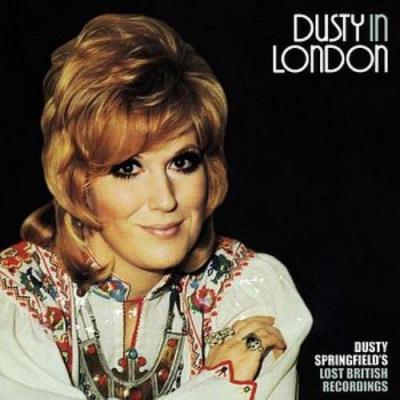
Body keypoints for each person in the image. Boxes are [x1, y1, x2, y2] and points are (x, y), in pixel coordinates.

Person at [0, 13, 312, 400]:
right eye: (128, 168)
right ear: (78, 183)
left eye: (183, 162)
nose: (165, 199)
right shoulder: (14, 297)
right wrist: (222, 384)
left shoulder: (249, 286)